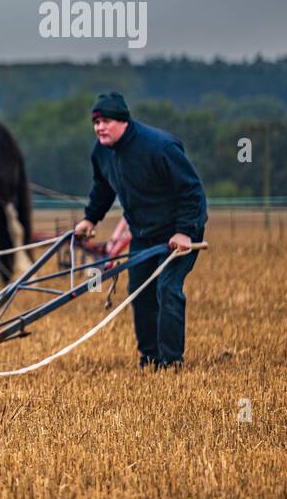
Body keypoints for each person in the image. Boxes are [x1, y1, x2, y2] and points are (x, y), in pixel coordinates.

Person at [74, 92, 208, 371]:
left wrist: (184, 231)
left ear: (123, 121)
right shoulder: (101, 152)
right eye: (95, 122)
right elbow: (103, 188)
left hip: (178, 232)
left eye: (106, 121)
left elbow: (191, 191)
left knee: (167, 289)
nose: (99, 128)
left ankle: (171, 361)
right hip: (143, 234)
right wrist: (90, 219)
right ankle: (149, 358)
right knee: (139, 291)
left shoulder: (160, 147)